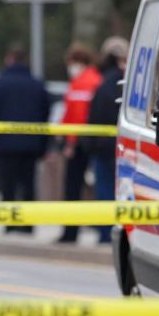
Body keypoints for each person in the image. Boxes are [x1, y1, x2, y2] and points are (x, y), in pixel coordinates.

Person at [0, 46, 50, 233]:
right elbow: (45, 114)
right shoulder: (37, 84)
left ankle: (10, 222)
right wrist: (43, 145)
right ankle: (28, 224)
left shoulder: (0, 84)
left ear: (10, 59)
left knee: (8, 185)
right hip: (31, 144)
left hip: (6, 145)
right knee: (28, 185)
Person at [83, 36, 129, 244]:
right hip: (126, 148)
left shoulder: (102, 85)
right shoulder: (129, 84)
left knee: (104, 192)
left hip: (103, 149)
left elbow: (94, 117)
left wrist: (90, 146)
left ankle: (105, 234)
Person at [55, 43, 102, 243]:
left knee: (72, 187)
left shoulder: (81, 83)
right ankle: (98, 228)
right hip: (92, 140)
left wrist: (69, 142)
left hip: (79, 143)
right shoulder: (95, 79)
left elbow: (77, 116)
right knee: (97, 185)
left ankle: (70, 232)